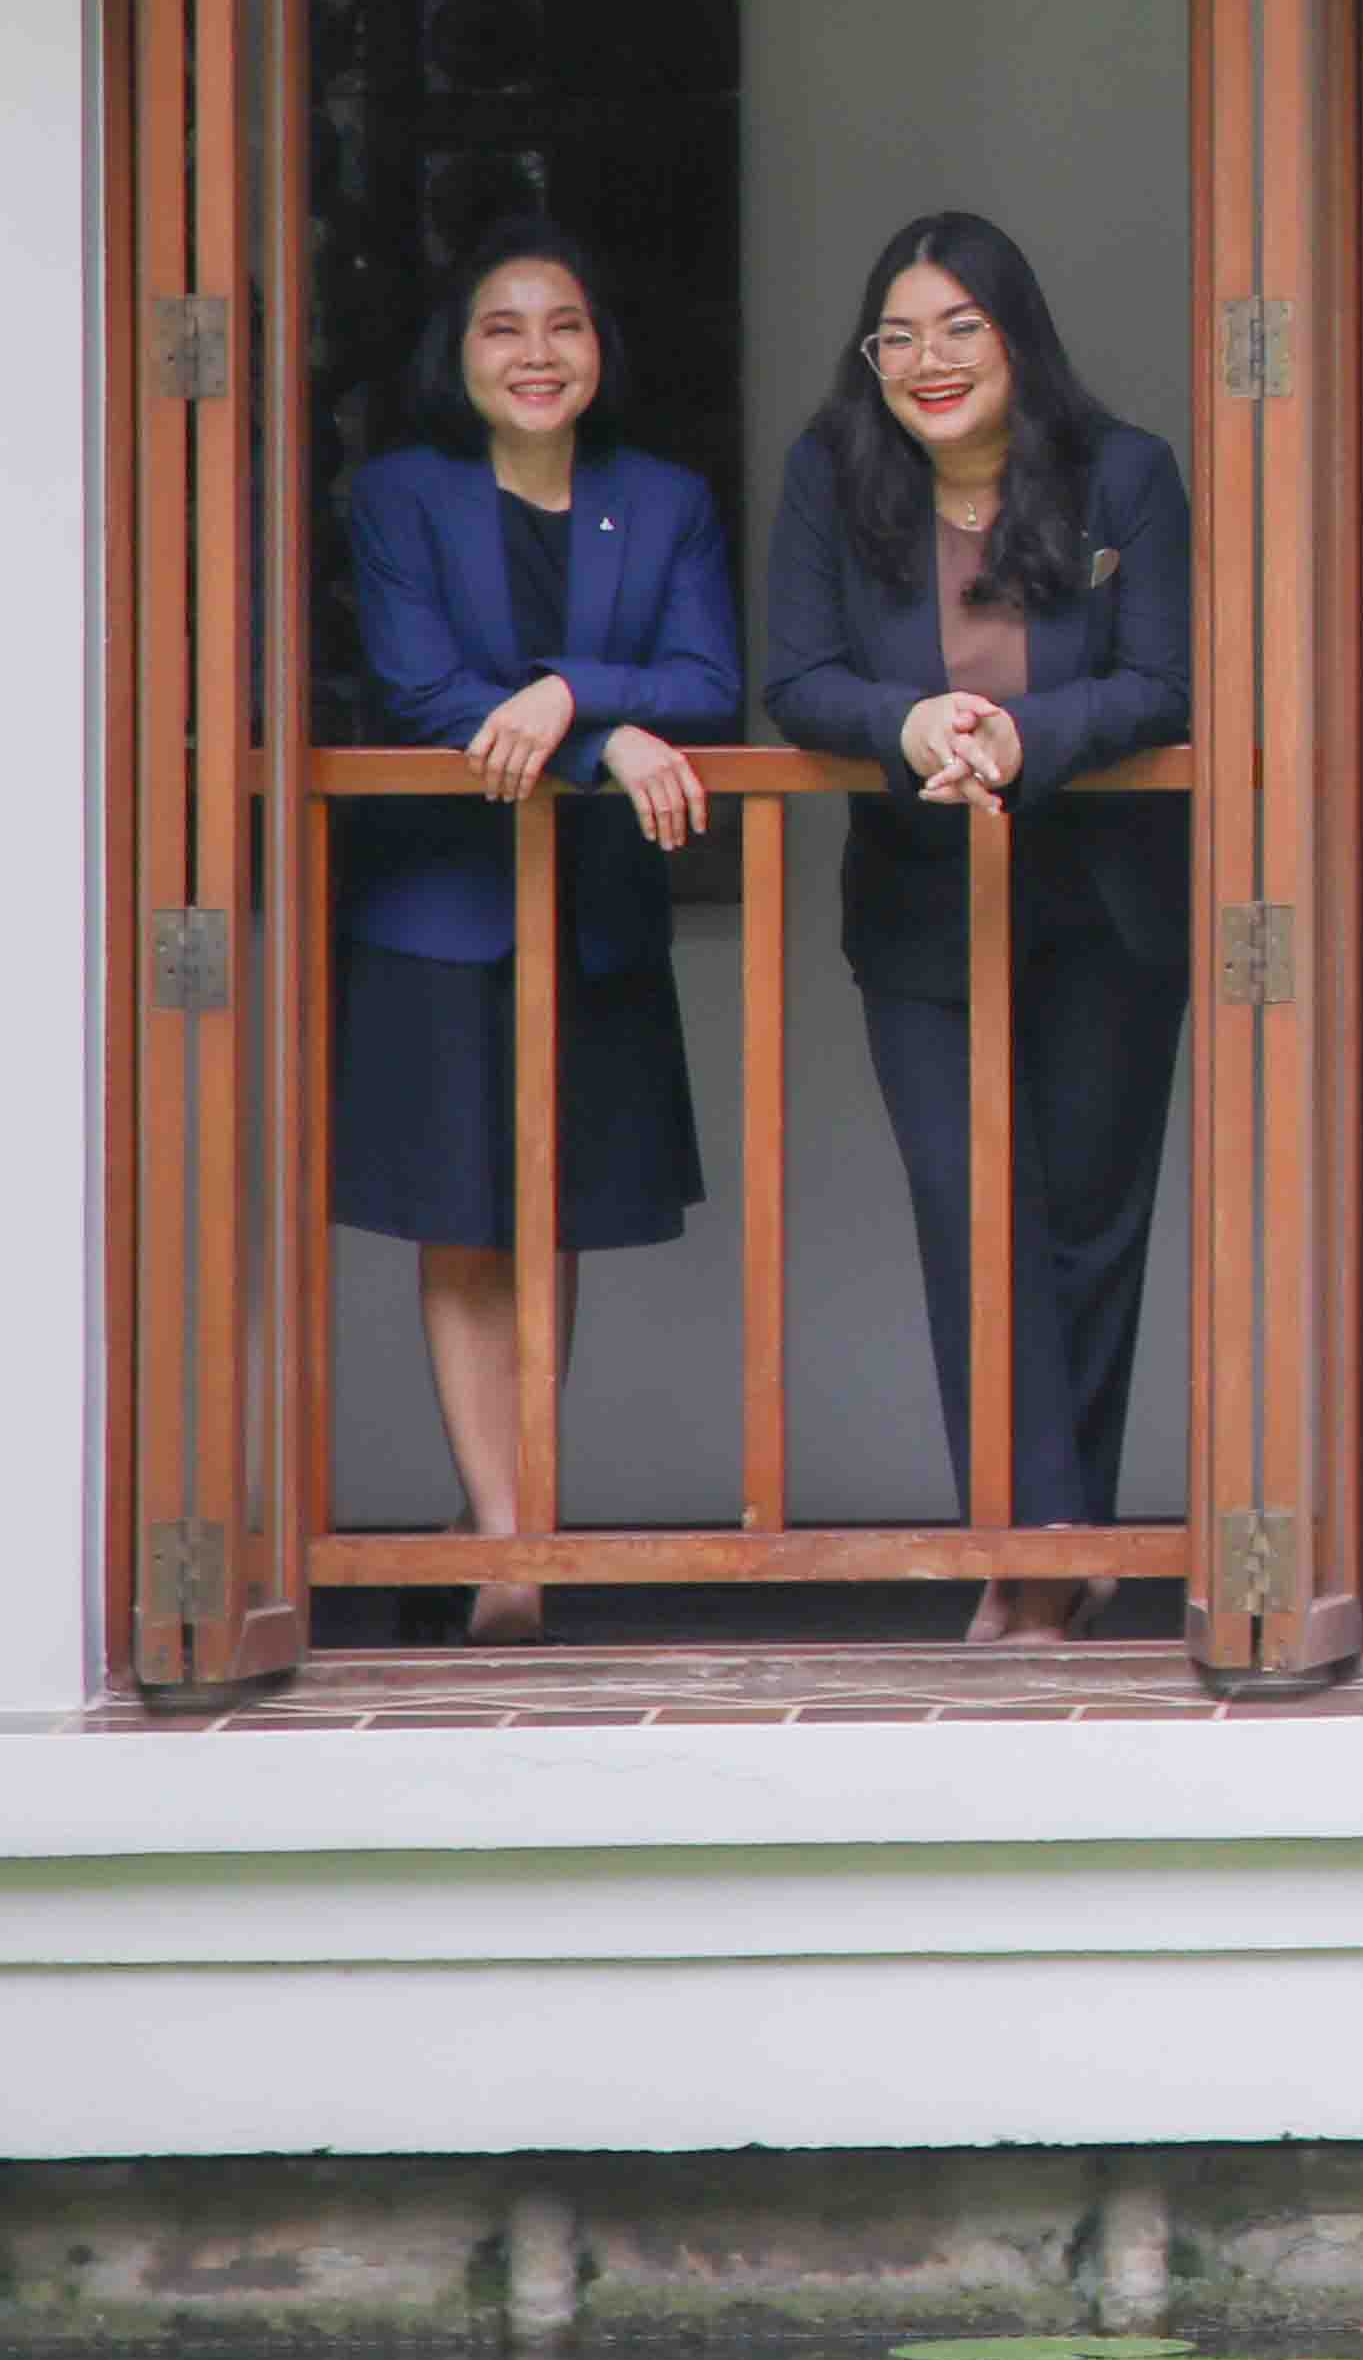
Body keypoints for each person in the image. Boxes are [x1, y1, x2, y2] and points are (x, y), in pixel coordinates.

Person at [764, 214, 1192, 1644]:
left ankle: (1047, 1550)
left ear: (1018, 337)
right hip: (923, 907)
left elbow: (1163, 683)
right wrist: (909, 722)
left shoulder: (1123, 473)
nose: (928, 360)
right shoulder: (831, 473)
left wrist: (1019, 734)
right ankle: (1036, 1550)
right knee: (970, 1216)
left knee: (1089, 1227)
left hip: (1105, 902)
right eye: (898, 335)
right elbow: (798, 678)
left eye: (960, 328)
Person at [334, 218, 742, 1646]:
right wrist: (607, 731)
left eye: (562, 323)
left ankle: (504, 1519)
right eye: (502, 327)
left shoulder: (665, 499)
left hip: (594, 913)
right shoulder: (401, 496)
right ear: (456, 355)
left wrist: (574, 697)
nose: (536, 353)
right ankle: (512, 1546)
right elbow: (422, 691)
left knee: (550, 1213)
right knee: (462, 1219)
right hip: (439, 908)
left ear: (600, 346)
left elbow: (710, 675)